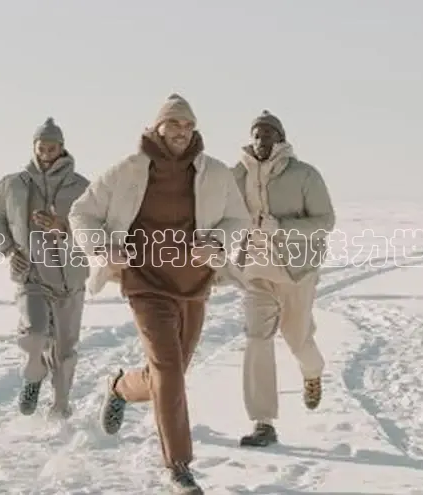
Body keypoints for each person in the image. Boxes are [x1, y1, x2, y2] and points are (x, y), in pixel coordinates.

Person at [67, 94, 251, 493]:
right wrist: (102, 246)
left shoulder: (215, 173)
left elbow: (240, 219)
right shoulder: (128, 170)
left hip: (194, 284)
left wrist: (217, 241)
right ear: (157, 127)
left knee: (169, 375)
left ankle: (120, 386)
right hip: (145, 282)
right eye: (174, 124)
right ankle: (179, 467)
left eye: (188, 126)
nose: (182, 132)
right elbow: (81, 213)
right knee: (168, 370)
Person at [231, 110, 336, 447]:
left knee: (297, 338)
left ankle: (312, 372)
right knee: (256, 339)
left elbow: (325, 221)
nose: (261, 140)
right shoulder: (238, 174)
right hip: (255, 270)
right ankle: (263, 422)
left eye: (268, 134)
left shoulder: (305, 174)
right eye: (257, 134)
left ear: (280, 138)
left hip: (296, 271)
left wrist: (282, 228)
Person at [0, 117, 90, 420]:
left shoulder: (82, 187)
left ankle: (60, 407)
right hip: (30, 273)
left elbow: (95, 228)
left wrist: (63, 227)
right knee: (33, 336)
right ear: (34, 147)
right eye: (41, 148)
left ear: (62, 148)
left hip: (70, 277)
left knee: (65, 350)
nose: (46, 154)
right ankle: (34, 375)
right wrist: (8, 249)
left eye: (51, 148)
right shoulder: (13, 184)